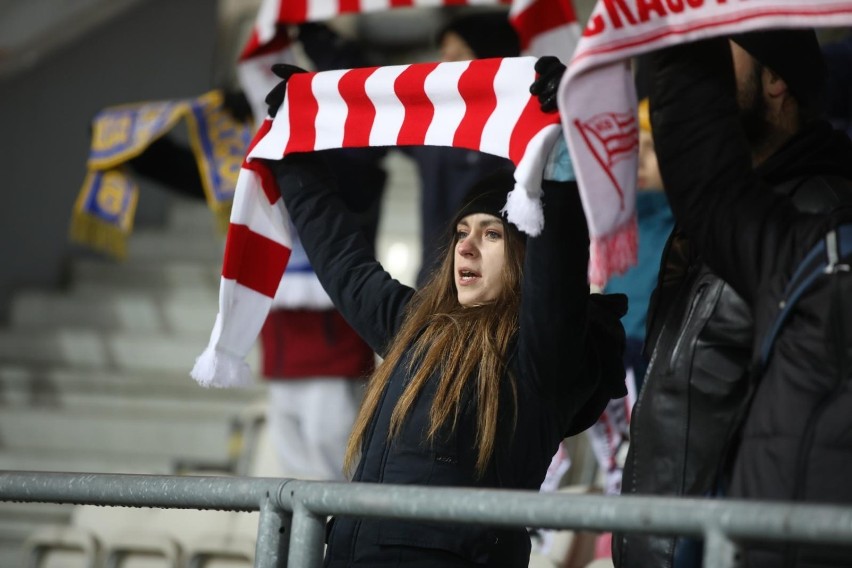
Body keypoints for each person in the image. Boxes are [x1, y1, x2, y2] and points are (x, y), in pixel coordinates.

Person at [261, 63, 628, 566]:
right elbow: (341, 258)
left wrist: (558, 155)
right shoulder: (414, 325)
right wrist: (295, 145)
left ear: (525, 252)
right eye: (461, 233)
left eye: (493, 234)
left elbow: (557, 263)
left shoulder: (546, 351)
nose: (467, 249)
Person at [613, 29, 852, 568]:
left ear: (776, 81)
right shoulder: (717, 227)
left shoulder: (818, 222)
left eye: (719, 53)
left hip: (725, 551)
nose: (706, 76)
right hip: (670, 545)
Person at [412, 10, 520, 287]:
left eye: (460, 54)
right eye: (444, 54)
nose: (445, 65)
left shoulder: (521, 131)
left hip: (501, 293)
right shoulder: (430, 128)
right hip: (434, 286)